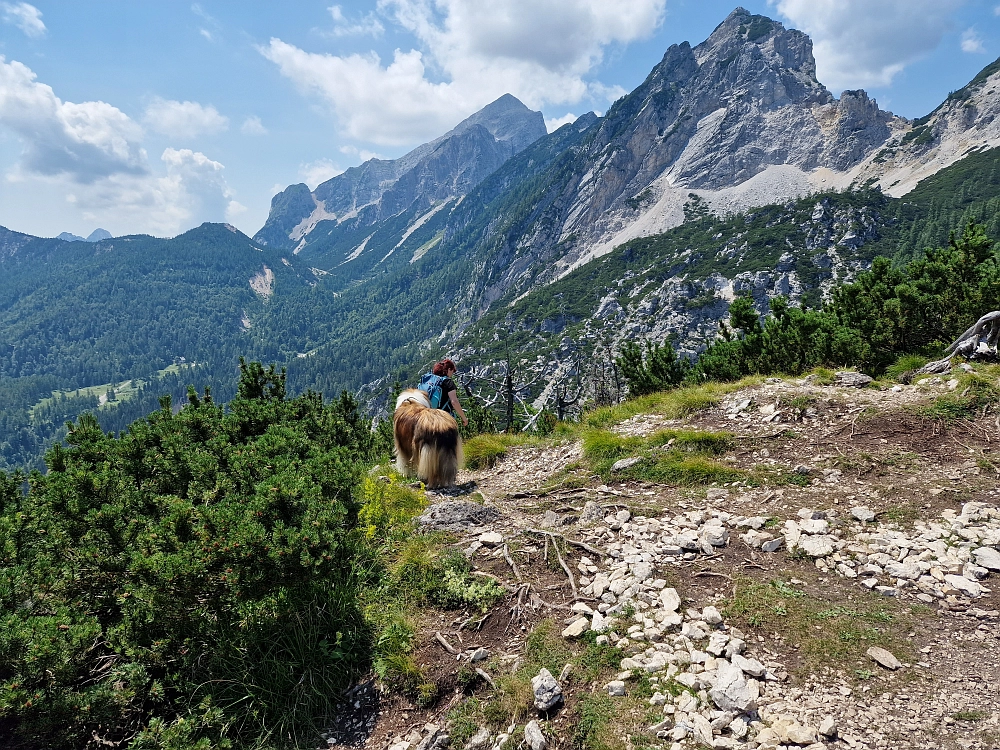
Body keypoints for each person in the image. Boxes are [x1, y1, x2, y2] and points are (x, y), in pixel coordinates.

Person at [430, 358, 468, 427]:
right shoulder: (448, 382)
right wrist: (464, 418)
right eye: (452, 371)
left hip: (429, 416)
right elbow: (454, 402)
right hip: (444, 418)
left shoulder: (432, 380)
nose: (452, 374)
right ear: (449, 369)